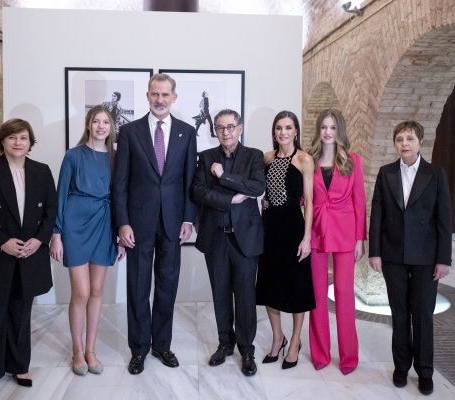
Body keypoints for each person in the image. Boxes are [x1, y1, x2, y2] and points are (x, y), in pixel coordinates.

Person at [0, 118, 57, 397]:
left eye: (24, 138)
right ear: (2, 141)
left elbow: (51, 210)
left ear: (30, 143)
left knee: (21, 312)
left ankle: (19, 365)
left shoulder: (42, 171)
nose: (18, 143)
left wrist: (39, 240)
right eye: (12, 138)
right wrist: (2, 241)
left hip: (29, 253)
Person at [113, 73, 197, 375]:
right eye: (154, 94)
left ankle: (162, 345)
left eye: (165, 95)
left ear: (174, 97)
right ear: (148, 96)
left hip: (174, 223)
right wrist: (122, 223)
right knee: (137, 286)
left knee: (167, 286)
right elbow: (120, 182)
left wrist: (189, 217)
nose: (160, 100)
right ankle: (139, 349)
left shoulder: (187, 133)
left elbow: (190, 181)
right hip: (137, 223)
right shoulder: (129, 132)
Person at [369, 120, 452, 396]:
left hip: (426, 257)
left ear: (419, 142)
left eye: (410, 139)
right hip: (392, 255)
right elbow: (377, 215)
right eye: (400, 139)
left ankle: (425, 371)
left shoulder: (435, 173)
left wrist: (444, 259)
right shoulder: (386, 173)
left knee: (423, 315)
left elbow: (444, 219)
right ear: (395, 144)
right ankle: (401, 367)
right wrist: (375, 252)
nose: (404, 143)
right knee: (400, 313)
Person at [50, 106, 125, 376]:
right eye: (96, 121)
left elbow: (120, 199)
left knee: (96, 290)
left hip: (104, 224)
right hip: (75, 224)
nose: (101, 126)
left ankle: (91, 349)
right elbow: (60, 196)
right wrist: (56, 233)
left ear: (111, 127)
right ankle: (77, 350)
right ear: (88, 124)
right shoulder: (73, 155)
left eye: (106, 122)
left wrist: (119, 235)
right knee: (80, 292)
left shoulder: (116, 158)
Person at [191, 109, 265, 376]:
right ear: (215, 130)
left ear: (240, 128)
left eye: (230, 127)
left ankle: (247, 350)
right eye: (220, 127)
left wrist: (224, 178)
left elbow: (257, 187)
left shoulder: (254, 156)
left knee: (245, 296)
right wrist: (229, 198)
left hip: (245, 238)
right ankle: (225, 344)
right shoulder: (206, 157)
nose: (226, 132)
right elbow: (198, 191)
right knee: (220, 294)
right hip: (216, 238)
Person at [307, 109, 366, 375]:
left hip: (344, 233)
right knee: (317, 296)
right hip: (317, 232)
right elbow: (303, 198)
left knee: (344, 295)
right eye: (324, 127)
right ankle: (320, 354)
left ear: (339, 131)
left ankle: (348, 358)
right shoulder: (309, 160)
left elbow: (360, 202)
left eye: (332, 127)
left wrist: (359, 240)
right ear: (319, 131)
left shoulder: (353, 160)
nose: (328, 132)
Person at [255, 110, 315, 370]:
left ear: (296, 131)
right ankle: (278, 337)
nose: (283, 132)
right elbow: (260, 190)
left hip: (293, 229)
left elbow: (310, 202)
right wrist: (263, 202)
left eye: (288, 128)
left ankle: (295, 341)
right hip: (269, 229)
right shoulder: (266, 158)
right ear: (274, 132)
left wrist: (307, 238)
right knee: (270, 285)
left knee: (296, 288)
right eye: (279, 128)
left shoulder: (304, 159)